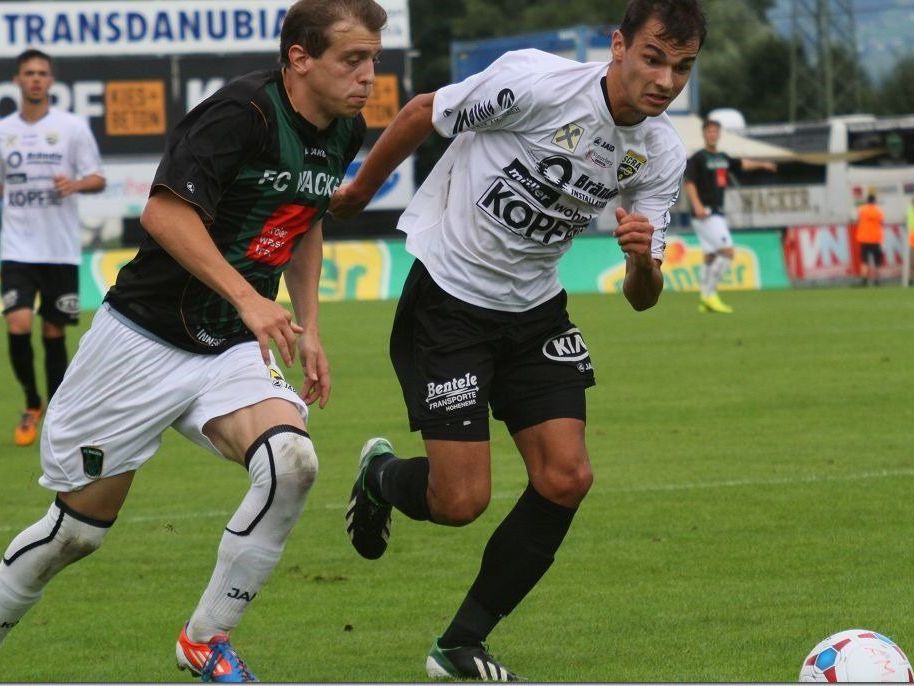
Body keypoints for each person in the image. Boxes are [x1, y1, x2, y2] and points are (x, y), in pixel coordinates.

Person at [0, 0, 384, 681]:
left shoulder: (344, 129)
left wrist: (310, 324)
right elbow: (163, 214)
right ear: (300, 57)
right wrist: (249, 298)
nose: (368, 76)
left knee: (291, 463)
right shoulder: (243, 114)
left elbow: (305, 215)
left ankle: (206, 639)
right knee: (79, 532)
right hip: (140, 341)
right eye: (352, 59)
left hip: (232, 343)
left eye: (374, 60)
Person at [331, 0, 706, 679]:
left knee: (568, 477)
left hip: (535, 311)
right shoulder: (535, 84)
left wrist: (644, 260)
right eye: (653, 58)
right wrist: (358, 191)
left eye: (681, 68)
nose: (665, 80)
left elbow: (642, 300)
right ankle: (381, 478)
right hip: (448, 300)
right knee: (460, 502)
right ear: (618, 46)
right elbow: (422, 112)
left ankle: (460, 644)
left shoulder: (658, 152)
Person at [0, 49, 106, 447]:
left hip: (59, 249)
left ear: (51, 80)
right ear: (17, 81)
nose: (36, 79)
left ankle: (58, 410)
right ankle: (31, 402)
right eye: (29, 73)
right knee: (18, 323)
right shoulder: (4, 129)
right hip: (17, 248)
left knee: (53, 329)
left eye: (42, 73)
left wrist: (74, 185)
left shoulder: (72, 128)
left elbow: (96, 177)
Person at [683, 118, 777, 313]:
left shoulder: (723, 157)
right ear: (704, 134)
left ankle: (704, 298)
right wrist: (697, 205)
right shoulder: (698, 158)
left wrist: (763, 164)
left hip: (717, 212)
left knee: (710, 255)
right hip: (705, 213)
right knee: (727, 252)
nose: (712, 134)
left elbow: (743, 164)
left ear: (719, 134)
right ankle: (710, 295)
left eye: (715, 131)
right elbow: (689, 182)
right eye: (709, 131)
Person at [856, 193, 885, 286]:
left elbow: (858, 219)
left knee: (864, 261)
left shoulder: (862, 210)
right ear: (874, 201)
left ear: (867, 201)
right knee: (877, 261)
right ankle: (877, 281)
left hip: (864, 239)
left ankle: (864, 281)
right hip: (876, 239)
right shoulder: (878, 211)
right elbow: (881, 222)